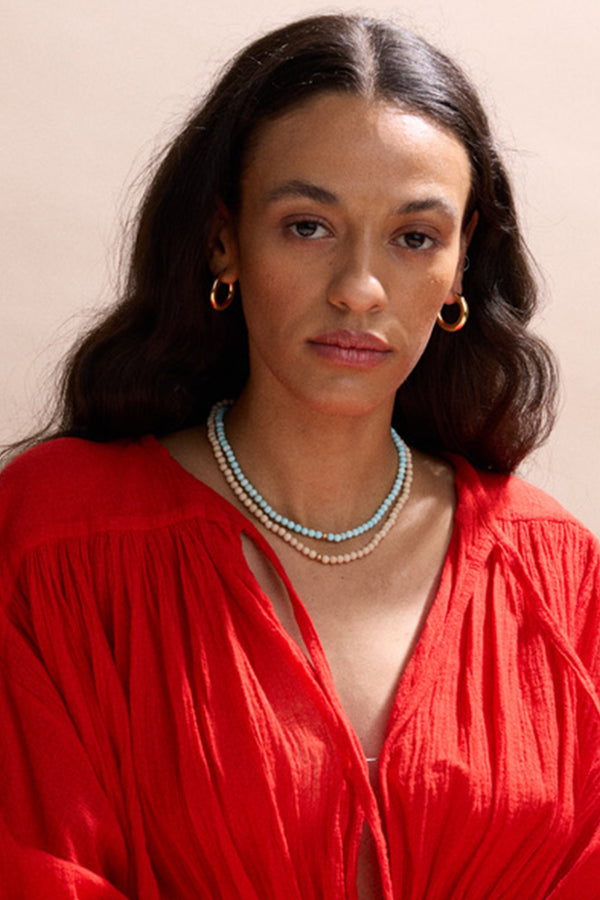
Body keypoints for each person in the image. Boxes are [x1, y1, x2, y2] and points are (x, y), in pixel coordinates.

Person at [1, 12, 599, 900]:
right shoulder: (54, 540)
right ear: (224, 238)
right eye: (309, 225)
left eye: (415, 237)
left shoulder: (558, 578)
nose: (360, 289)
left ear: (462, 263)